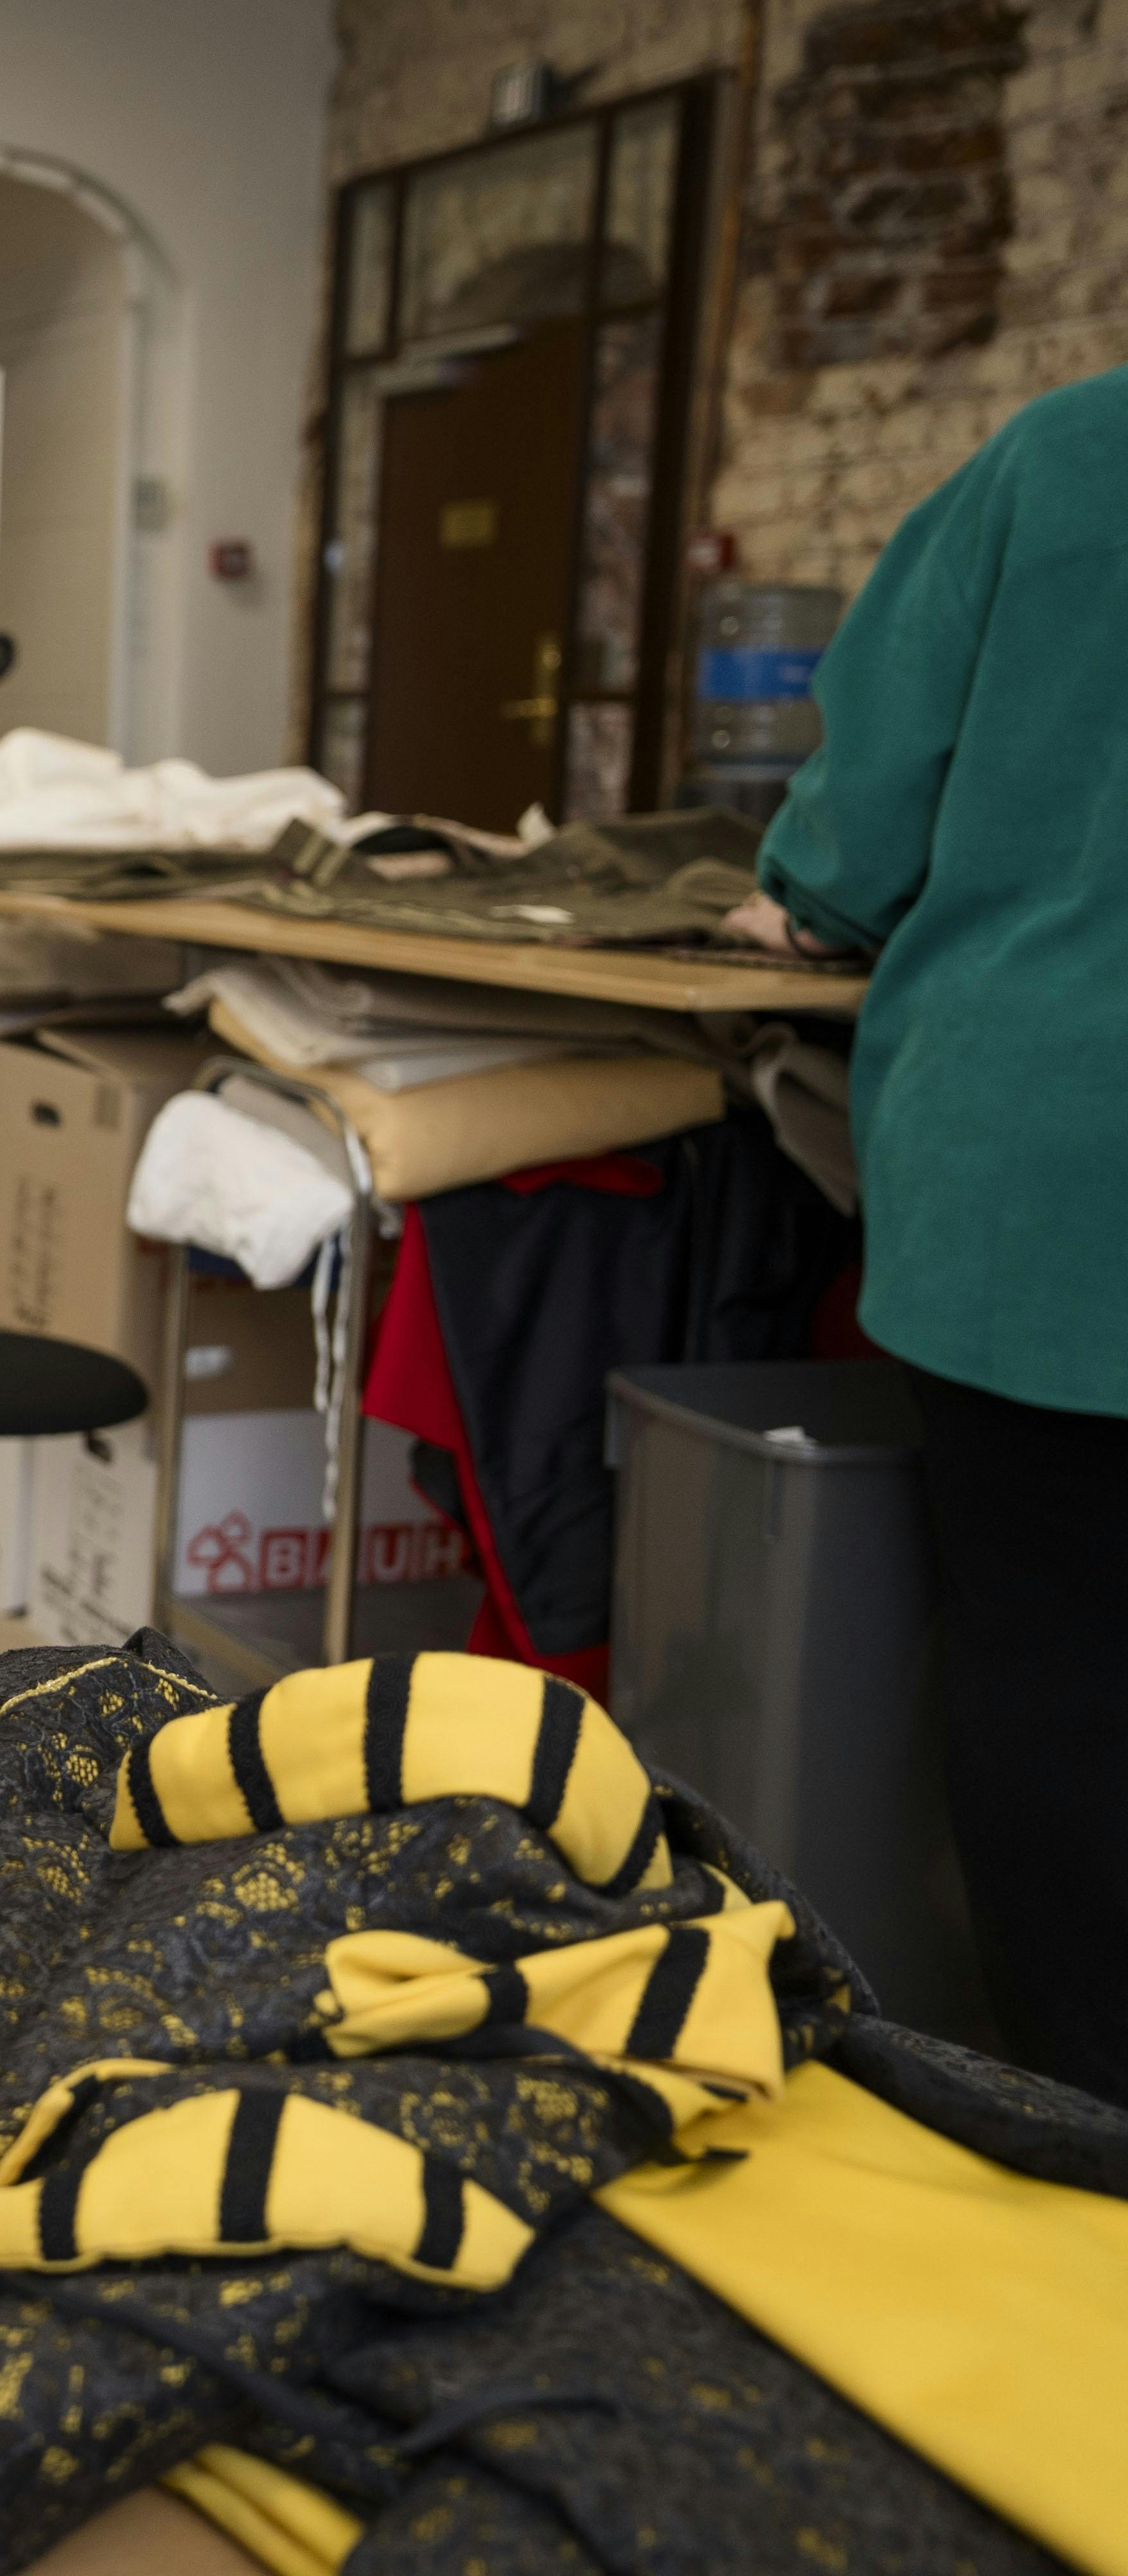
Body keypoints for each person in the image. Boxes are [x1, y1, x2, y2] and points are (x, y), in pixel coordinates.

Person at [722, 365, 1128, 2106]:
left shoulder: (1075, 450)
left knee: (1054, 1661)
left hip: (1051, 1173)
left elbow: (879, 767)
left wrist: (807, 894)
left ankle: (1080, 2118)